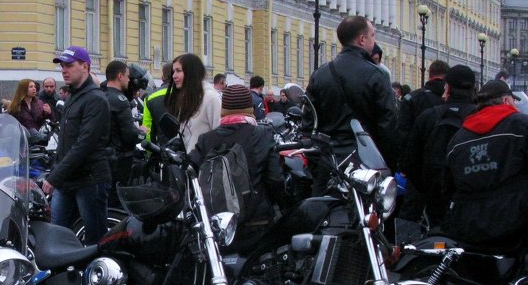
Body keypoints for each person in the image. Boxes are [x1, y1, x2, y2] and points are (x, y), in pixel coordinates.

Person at [443, 79, 528, 249]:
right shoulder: (523, 125)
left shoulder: (458, 138)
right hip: (518, 221)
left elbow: (447, 184)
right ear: (506, 100)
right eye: (514, 101)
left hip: (470, 225)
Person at [190, 84, 284, 248]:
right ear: (250, 109)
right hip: (256, 222)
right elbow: (275, 180)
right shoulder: (262, 134)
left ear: (223, 109)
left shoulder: (206, 139)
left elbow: (191, 174)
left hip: (218, 225)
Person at [306, 15, 400, 168]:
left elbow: (309, 123)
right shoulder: (377, 75)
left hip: (329, 162)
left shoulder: (320, 74)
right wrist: (389, 165)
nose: (374, 41)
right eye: (372, 36)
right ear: (362, 39)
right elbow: (388, 125)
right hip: (366, 163)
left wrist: (316, 164)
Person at [42, 46, 111, 243]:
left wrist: (55, 176)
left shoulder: (95, 99)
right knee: (56, 235)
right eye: (62, 66)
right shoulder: (73, 95)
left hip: (90, 180)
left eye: (69, 65)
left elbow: (84, 145)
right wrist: (55, 170)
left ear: (85, 67)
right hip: (67, 180)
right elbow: (65, 141)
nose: (64, 70)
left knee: (95, 239)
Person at [401, 64, 478, 226]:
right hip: (471, 200)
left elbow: (410, 161)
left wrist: (427, 188)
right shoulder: (481, 117)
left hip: (435, 199)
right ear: (474, 88)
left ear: (447, 88)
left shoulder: (428, 117)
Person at [164, 53, 221, 153]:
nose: (174, 76)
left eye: (178, 71)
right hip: (188, 164)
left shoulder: (211, 98)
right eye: (173, 71)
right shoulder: (187, 98)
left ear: (191, 72)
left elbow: (219, 136)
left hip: (205, 165)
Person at [103, 60, 141, 191]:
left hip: (101, 157)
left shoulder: (100, 95)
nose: (129, 80)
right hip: (119, 159)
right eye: (127, 76)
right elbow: (129, 135)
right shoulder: (120, 101)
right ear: (120, 76)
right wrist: (140, 133)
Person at [399, 60, 449, 147]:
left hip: (416, 154)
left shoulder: (411, 98)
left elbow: (403, 133)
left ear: (429, 75)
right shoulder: (451, 99)